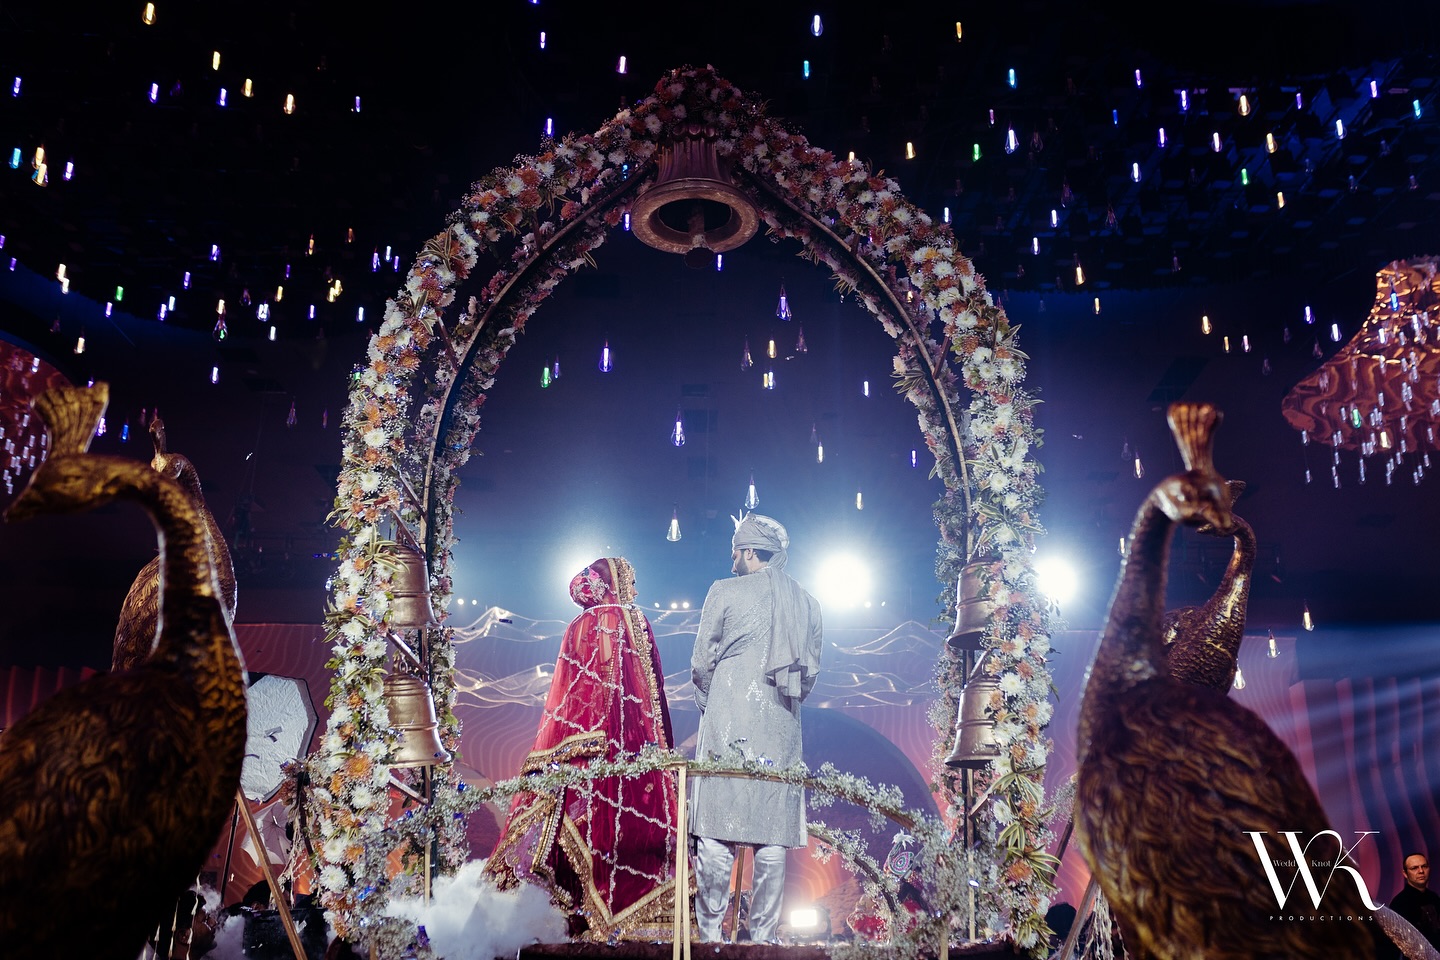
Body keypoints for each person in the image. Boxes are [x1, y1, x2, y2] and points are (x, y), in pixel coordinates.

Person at [486, 557, 679, 941]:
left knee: (577, 836)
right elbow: (651, 688)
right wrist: (662, 752)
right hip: (625, 750)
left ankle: (574, 924)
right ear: (614, 583)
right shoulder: (629, 618)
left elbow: (568, 695)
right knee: (624, 840)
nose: (635, 590)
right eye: (630, 581)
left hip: (574, 754)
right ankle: (630, 927)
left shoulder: (575, 625)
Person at [689, 513, 823, 943]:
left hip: (728, 717)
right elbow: (809, 677)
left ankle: (710, 940)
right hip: (781, 724)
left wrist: (709, 704)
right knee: (771, 838)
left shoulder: (723, 591)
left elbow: (701, 663)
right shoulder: (807, 602)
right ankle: (763, 942)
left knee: (716, 830)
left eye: (735, 551)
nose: (731, 560)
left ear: (748, 552)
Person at [1390, 852, 1440, 949]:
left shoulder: (1434, 897)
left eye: (1424, 866)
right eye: (1414, 868)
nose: (1421, 871)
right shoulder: (1400, 903)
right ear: (1405, 873)